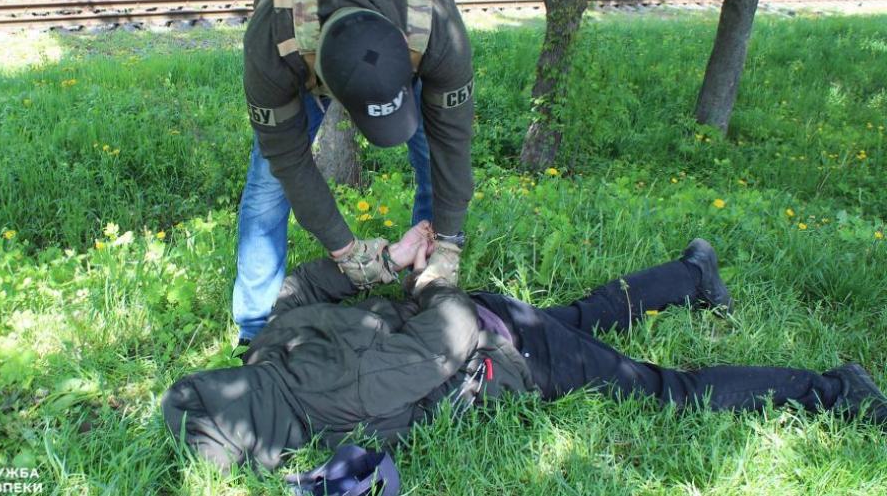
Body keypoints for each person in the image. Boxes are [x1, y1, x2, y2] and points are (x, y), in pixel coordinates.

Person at [162, 230, 887, 472]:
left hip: (501, 340)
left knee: (655, 381)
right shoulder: (274, 358)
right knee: (597, 325)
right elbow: (303, 289)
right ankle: (696, 277)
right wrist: (392, 266)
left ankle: (832, 388)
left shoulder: (328, 390)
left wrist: (418, 275)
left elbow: (444, 334)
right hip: (497, 326)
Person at [233, 0, 476, 343]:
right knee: (267, 185)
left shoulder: (437, 30)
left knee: (430, 158)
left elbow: (452, 146)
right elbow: (287, 160)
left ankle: (426, 285)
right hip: (306, 43)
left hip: (405, 26)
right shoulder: (273, 42)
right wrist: (347, 251)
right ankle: (255, 327)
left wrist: (450, 243)